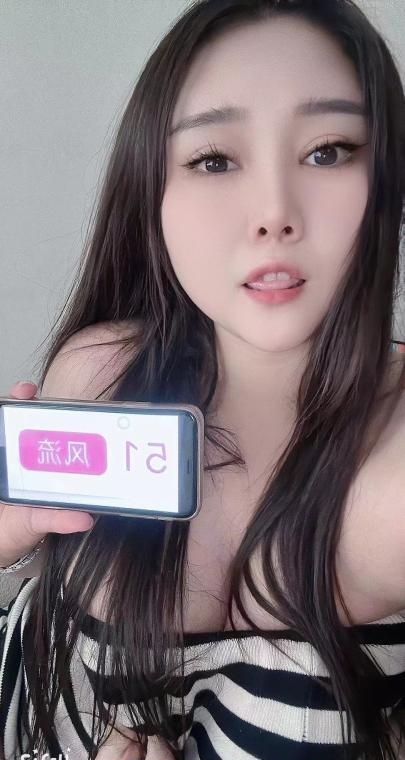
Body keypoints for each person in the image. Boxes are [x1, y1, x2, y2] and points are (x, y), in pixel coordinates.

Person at [1, 0, 405, 757]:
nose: (274, 214)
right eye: (214, 159)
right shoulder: (99, 372)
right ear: (151, 191)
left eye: (328, 150)